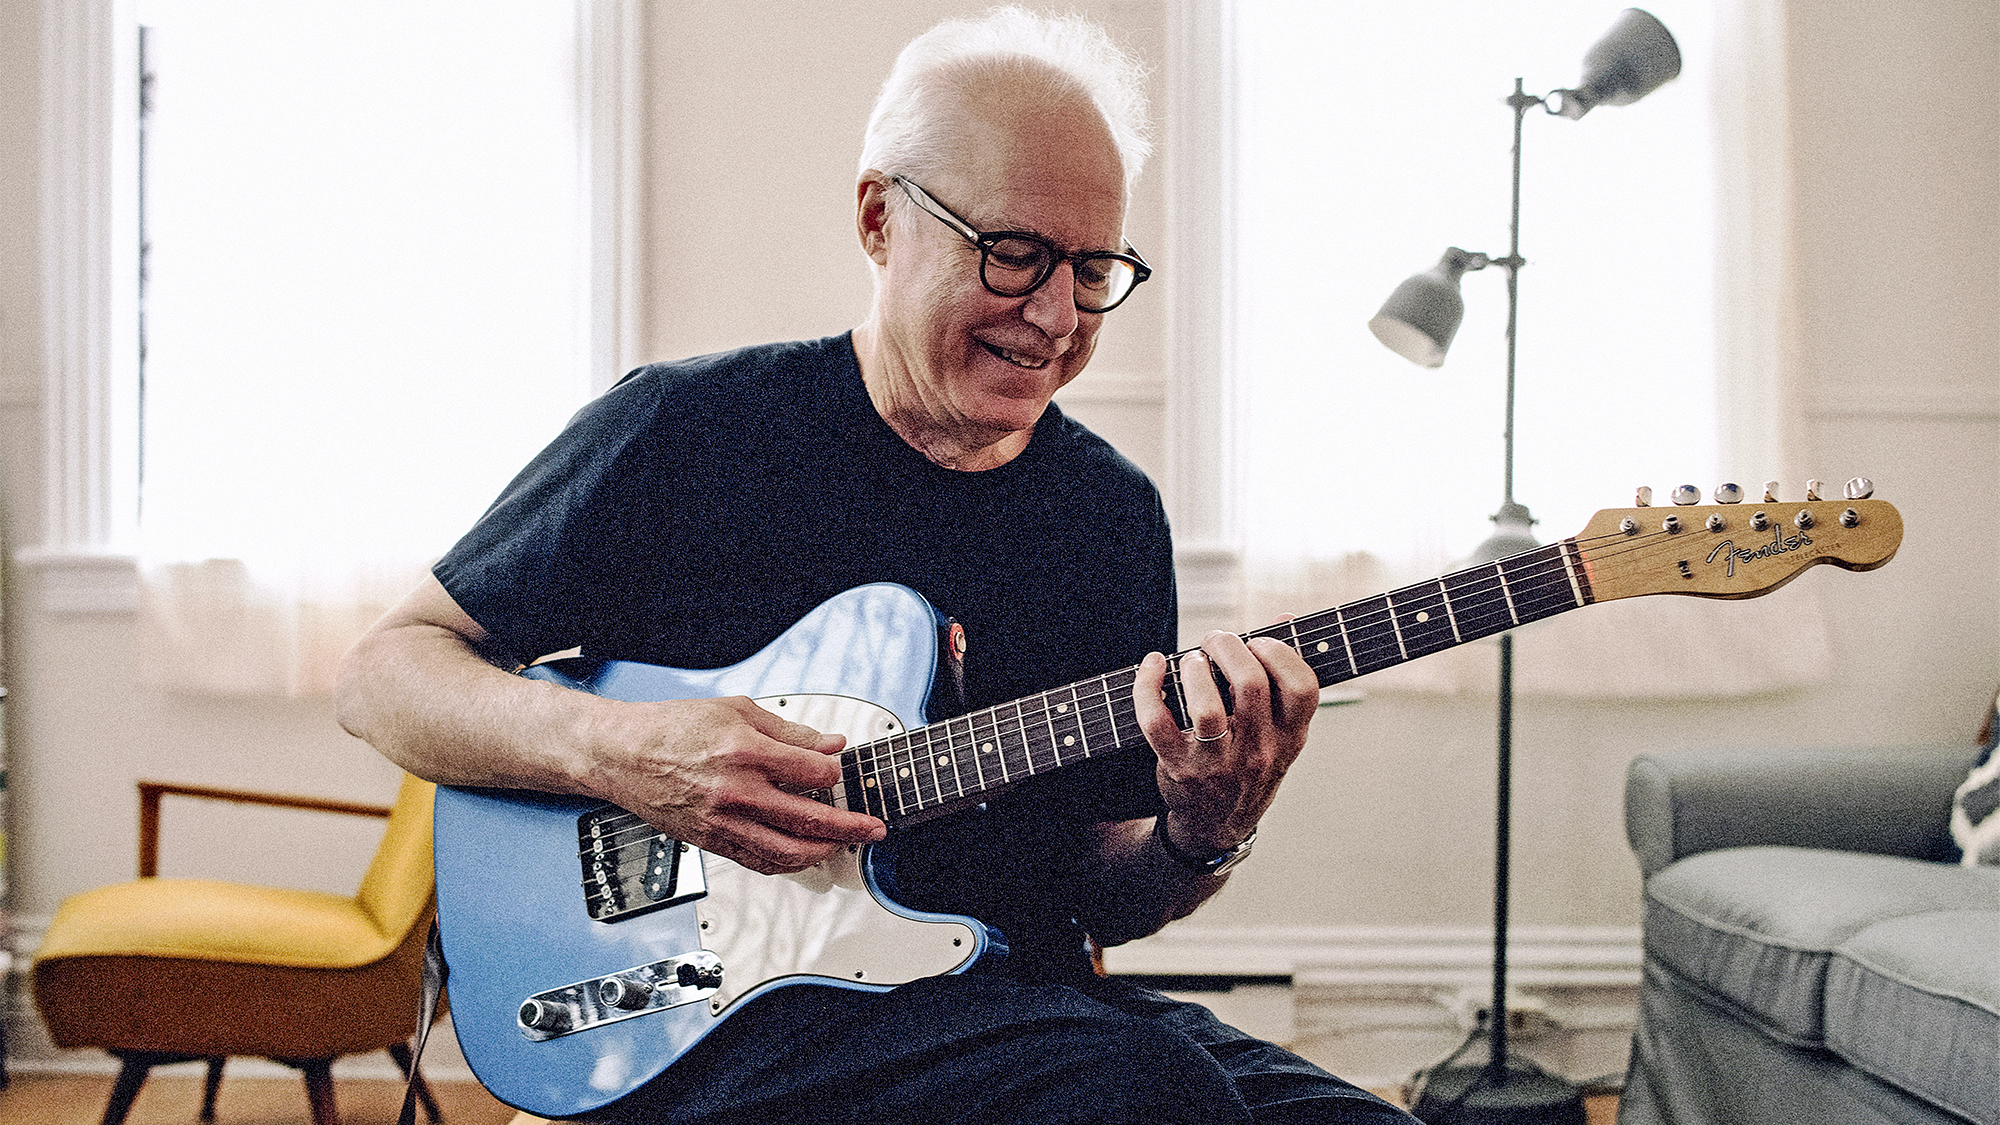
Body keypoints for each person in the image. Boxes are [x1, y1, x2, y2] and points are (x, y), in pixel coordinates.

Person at [337, 8, 1414, 1124]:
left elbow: (1100, 889)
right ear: (877, 220)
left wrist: (1204, 828)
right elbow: (384, 676)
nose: (1054, 316)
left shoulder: (1107, 515)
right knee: (1140, 1093)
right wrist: (628, 753)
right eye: (1012, 253)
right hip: (714, 1016)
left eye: (1092, 269)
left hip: (1013, 1001)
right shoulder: (685, 430)